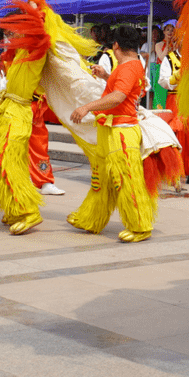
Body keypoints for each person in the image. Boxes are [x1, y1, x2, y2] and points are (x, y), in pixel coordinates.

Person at [69, 25, 154, 242]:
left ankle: (140, 226)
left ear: (116, 45)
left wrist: (87, 107)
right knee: (102, 179)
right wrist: (107, 75)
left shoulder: (127, 68)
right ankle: (90, 219)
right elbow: (123, 90)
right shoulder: (132, 65)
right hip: (112, 130)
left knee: (127, 180)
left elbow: (118, 97)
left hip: (122, 132)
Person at [158, 28, 189, 186]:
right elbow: (162, 81)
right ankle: (174, 172)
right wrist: (177, 76)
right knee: (177, 136)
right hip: (176, 99)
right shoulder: (169, 59)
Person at [29, 92, 65, 195]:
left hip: (36, 106)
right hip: (17, 106)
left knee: (39, 146)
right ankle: (16, 181)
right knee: (14, 147)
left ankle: (45, 181)